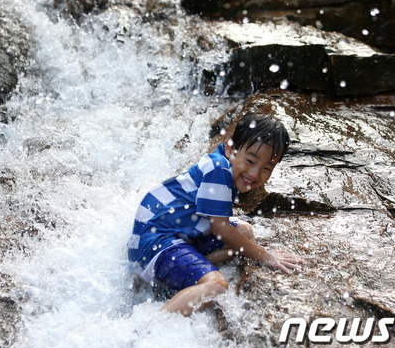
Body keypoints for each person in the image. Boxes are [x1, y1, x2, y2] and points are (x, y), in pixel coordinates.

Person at [127, 109, 304, 316]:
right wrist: (266, 257)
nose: (255, 173)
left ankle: (196, 267)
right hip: (156, 244)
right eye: (250, 161)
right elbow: (221, 229)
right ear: (231, 149)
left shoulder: (223, 162)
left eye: (267, 168)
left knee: (245, 232)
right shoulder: (218, 169)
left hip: (165, 237)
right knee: (218, 286)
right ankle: (146, 328)